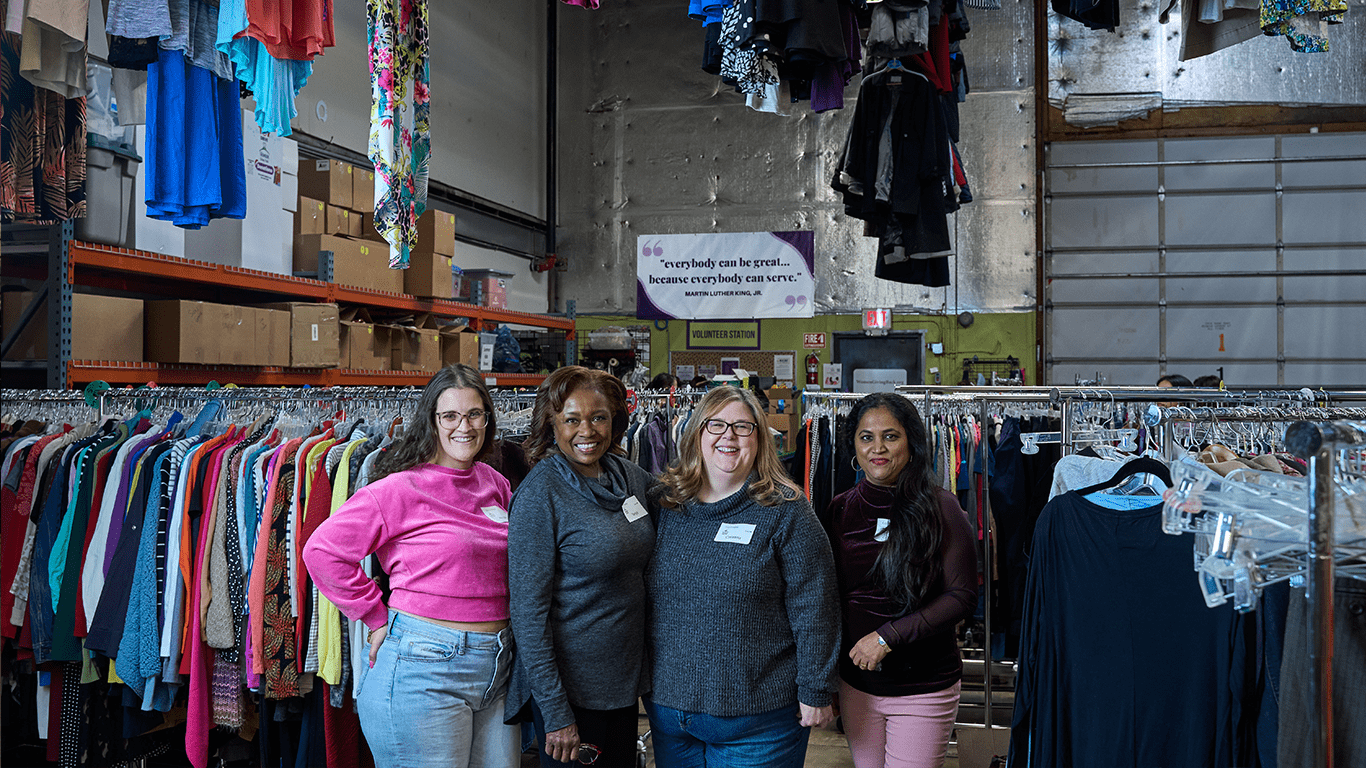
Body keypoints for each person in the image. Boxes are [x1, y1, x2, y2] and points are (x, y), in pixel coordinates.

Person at [302, 364, 518, 768]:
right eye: (450, 416)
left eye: (475, 414)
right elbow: (322, 551)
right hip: (422, 670)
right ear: (431, 422)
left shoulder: (494, 481)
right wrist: (375, 615)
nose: (464, 427)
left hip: (497, 670)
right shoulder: (399, 488)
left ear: (487, 418)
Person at [645, 386, 840, 768]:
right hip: (670, 717)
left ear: (760, 438)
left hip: (758, 721)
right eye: (715, 425)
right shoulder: (664, 503)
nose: (728, 436)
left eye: (742, 427)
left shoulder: (786, 511)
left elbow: (816, 606)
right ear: (697, 433)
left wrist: (816, 689)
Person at [506, 366, 658, 768]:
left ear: (615, 421)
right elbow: (527, 614)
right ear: (551, 424)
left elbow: (684, 501)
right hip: (571, 697)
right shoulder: (541, 494)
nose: (586, 431)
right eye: (571, 420)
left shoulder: (626, 477)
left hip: (623, 686)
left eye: (598, 417)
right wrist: (555, 712)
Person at [824, 393, 978, 768]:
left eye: (890, 437)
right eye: (866, 437)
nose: (878, 448)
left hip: (923, 686)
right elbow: (829, 597)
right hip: (856, 684)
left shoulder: (942, 508)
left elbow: (962, 595)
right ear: (854, 446)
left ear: (911, 442)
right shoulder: (840, 508)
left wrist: (886, 637)